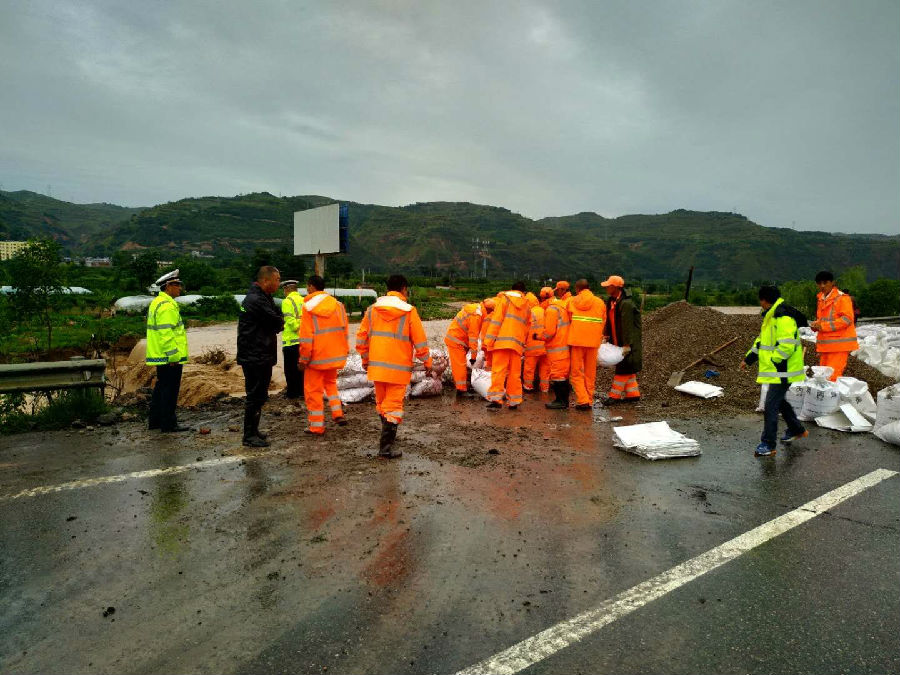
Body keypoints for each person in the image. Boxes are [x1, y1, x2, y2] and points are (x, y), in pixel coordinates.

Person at [356, 275, 433, 458]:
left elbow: (361, 339)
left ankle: (387, 437)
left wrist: (366, 361)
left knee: (382, 403)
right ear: (404, 289)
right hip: (398, 369)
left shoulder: (372, 310)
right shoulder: (408, 311)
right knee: (394, 405)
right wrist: (427, 362)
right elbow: (419, 341)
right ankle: (386, 447)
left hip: (377, 367)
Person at [741, 285, 808, 457]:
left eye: (760, 300)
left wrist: (774, 360)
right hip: (779, 371)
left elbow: (787, 345)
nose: (760, 304)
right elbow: (761, 342)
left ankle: (768, 443)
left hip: (784, 371)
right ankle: (796, 429)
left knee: (770, 405)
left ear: (764, 300)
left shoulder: (782, 317)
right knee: (778, 401)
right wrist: (748, 359)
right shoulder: (771, 317)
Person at [237, 266, 284, 447]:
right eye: (277, 279)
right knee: (255, 395)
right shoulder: (256, 300)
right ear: (266, 280)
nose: (279, 283)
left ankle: (253, 430)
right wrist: (277, 323)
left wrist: (277, 322)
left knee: (259, 395)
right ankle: (249, 435)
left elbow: (276, 319)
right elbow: (276, 321)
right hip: (255, 355)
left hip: (259, 353)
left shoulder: (263, 297)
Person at [298, 275, 349, 435]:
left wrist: (303, 360)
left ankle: (316, 426)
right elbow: (344, 331)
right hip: (334, 356)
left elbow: (306, 338)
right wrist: (343, 351)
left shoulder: (308, 307)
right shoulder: (339, 305)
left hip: (316, 359)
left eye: (307, 287)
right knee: (331, 384)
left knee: (313, 393)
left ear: (311, 287)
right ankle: (337, 413)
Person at [146, 269, 190, 432]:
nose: (180, 288)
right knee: (170, 391)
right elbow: (166, 333)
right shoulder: (167, 306)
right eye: (177, 285)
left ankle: (155, 421)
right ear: (168, 286)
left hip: (161, 356)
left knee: (161, 388)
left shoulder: (158, 302)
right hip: (169, 357)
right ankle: (168, 424)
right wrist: (173, 356)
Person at [483, 281, 530, 409]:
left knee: (499, 371)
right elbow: (527, 326)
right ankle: (514, 401)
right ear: (523, 292)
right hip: (517, 344)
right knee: (514, 373)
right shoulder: (527, 304)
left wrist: (488, 341)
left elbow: (496, 321)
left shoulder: (504, 300)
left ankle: (496, 400)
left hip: (502, 343)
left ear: (512, 289)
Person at [810, 270, 858, 381]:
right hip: (826, 345)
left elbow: (847, 319)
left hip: (839, 345)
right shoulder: (821, 299)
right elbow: (822, 320)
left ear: (832, 283)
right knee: (823, 377)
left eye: (825, 283)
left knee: (832, 377)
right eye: (819, 283)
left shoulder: (842, 298)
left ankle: (831, 397)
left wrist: (823, 326)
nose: (822, 286)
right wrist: (816, 325)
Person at [566, 279, 607, 410]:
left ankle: (582, 399)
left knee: (576, 372)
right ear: (589, 287)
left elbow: (568, 319)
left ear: (577, 289)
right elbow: (603, 322)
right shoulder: (600, 302)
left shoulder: (572, 301)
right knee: (590, 373)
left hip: (577, 341)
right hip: (593, 341)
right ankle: (589, 400)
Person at [601, 275, 643, 405]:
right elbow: (609, 320)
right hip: (618, 340)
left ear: (615, 287)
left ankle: (614, 396)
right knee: (627, 367)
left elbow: (628, 326)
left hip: (627, 342)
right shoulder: (612, 301)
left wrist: (626, 345)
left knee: (623, 368)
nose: (606, 288)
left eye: (608, 286)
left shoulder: (626, 304)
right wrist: (606, 335)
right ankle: (633, 394)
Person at [444, 300, 484, 397]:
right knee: (460, 365)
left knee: (461, 365)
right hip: (456, 341)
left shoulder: (477, 309)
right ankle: (461, 390)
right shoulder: (476, 316)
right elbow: (473, 338)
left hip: (458, 339)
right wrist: (473, 357)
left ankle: (463, 387)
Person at [544, 281, 573, 409]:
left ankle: (561, 401)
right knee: (563, 375)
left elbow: (550, 332)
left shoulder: (552, 309)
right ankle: (562, 401)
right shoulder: (565, 305)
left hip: (557, 348)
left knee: (558, 375)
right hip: (565, 346)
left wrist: (539, 337)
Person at [280, 279, 305, 400]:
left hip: (291, 342)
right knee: (302, 369)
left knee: (290, 369)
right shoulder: (304, 300)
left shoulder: (287, 301)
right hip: (304, 341)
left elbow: (291, 323)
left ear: (286, 289)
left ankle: (292, 393)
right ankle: (302, 391)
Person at [522, 292, 546, 392]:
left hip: (532, 346)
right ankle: (545, 388)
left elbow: (524, 331)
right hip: (545, 345)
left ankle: (528, 386)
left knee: (529, 368)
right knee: (545, 368)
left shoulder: (528, 313)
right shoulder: (545, 311)